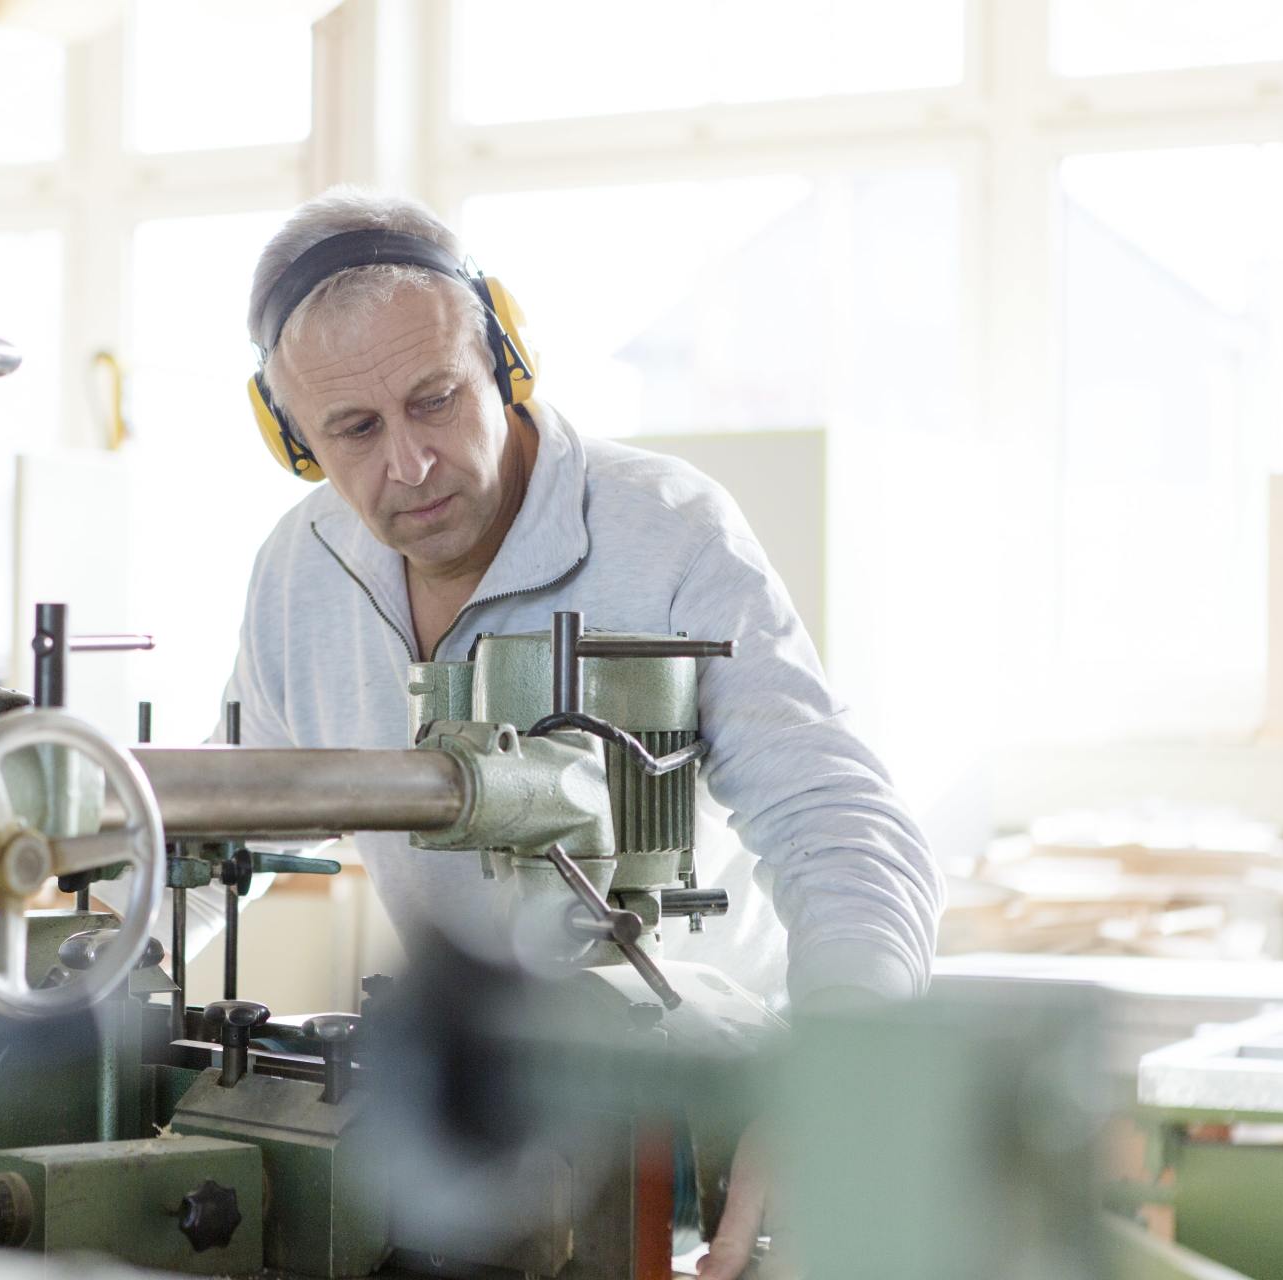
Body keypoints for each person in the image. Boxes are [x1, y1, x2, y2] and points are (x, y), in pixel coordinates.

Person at [219, 187, 941, 1275]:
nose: (409, 464)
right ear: (291, 435)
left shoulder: (667, 531)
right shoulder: (299, 569)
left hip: (687, 1114)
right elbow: (233, 818)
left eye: (436, 398)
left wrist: (837, 1082)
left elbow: (834, 817)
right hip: (478, 1118)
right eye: (356, 430)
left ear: (505, 355)